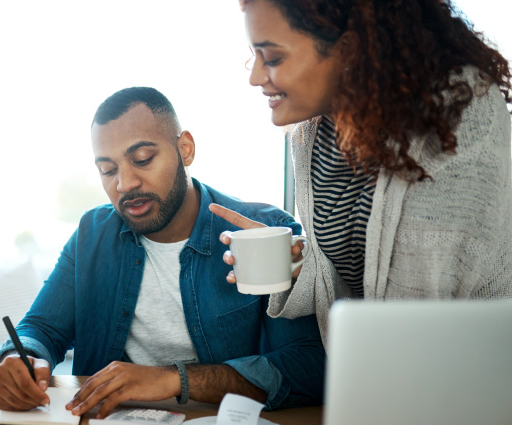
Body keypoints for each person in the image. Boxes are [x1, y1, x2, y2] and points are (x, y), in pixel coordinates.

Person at [0, 87, 326, 417]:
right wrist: (22, 357)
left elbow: (307, 367)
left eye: (142, 159)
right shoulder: (92, 233)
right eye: (108, 169)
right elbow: (42, 328)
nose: (124, 184)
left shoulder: (262, 233)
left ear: (186, 149)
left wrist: (173, 380)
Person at [211, 0, 512, 341]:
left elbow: (422, 301)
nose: (255, 77)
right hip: (383, 373)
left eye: (274, 58)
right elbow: (361, 276)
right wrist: (295, 262)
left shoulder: (457, 109)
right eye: (254, 54)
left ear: (349, 50)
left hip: (479, 372)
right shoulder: (311, 136)